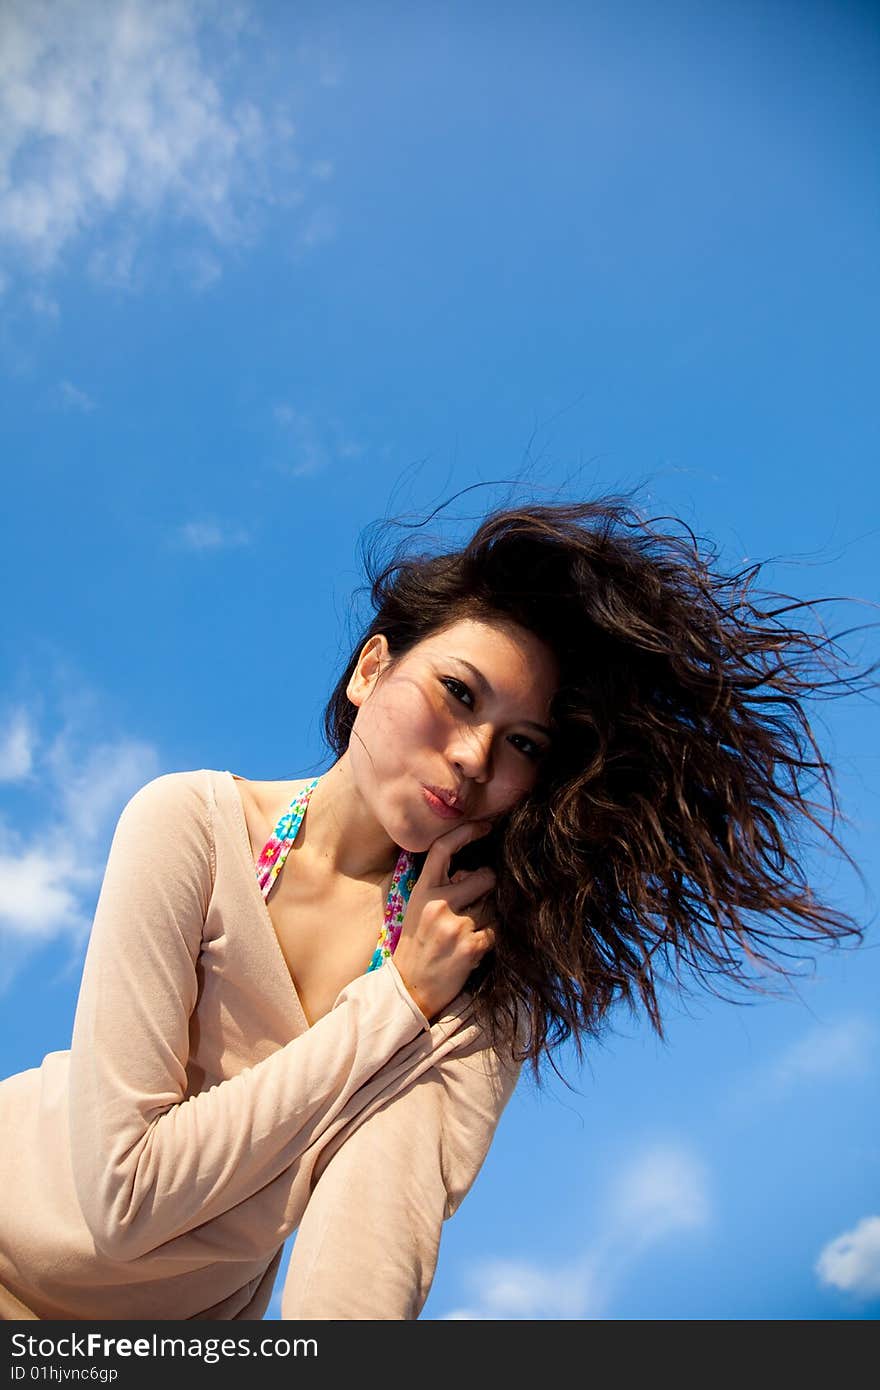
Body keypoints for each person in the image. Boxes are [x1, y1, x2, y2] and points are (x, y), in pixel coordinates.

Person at [0, 493, 871, 1321]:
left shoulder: (484, 974)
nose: (472, 756)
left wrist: (423, 999)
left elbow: (365, 1253)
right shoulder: (190, 822)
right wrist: (394, 1003)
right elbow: (125, 1195)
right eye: (459, 693)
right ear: (370, 670)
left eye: (521, 743)